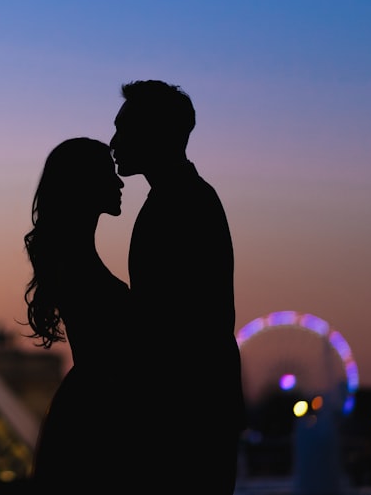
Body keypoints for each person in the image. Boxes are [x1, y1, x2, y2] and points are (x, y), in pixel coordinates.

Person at [110, 80, 245, 494]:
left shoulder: (179, 204)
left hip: (183, 410)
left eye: (123, 130)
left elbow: (171, 322)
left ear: (154, 134)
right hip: (197, 404)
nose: (113, 144)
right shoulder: (187, 198)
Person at [22, 137, 137, 493]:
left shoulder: (68, 258)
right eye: (108, 174)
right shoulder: (76, 263)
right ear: (85, 184)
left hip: (88, 407)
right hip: (99, 415)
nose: (119, 183)